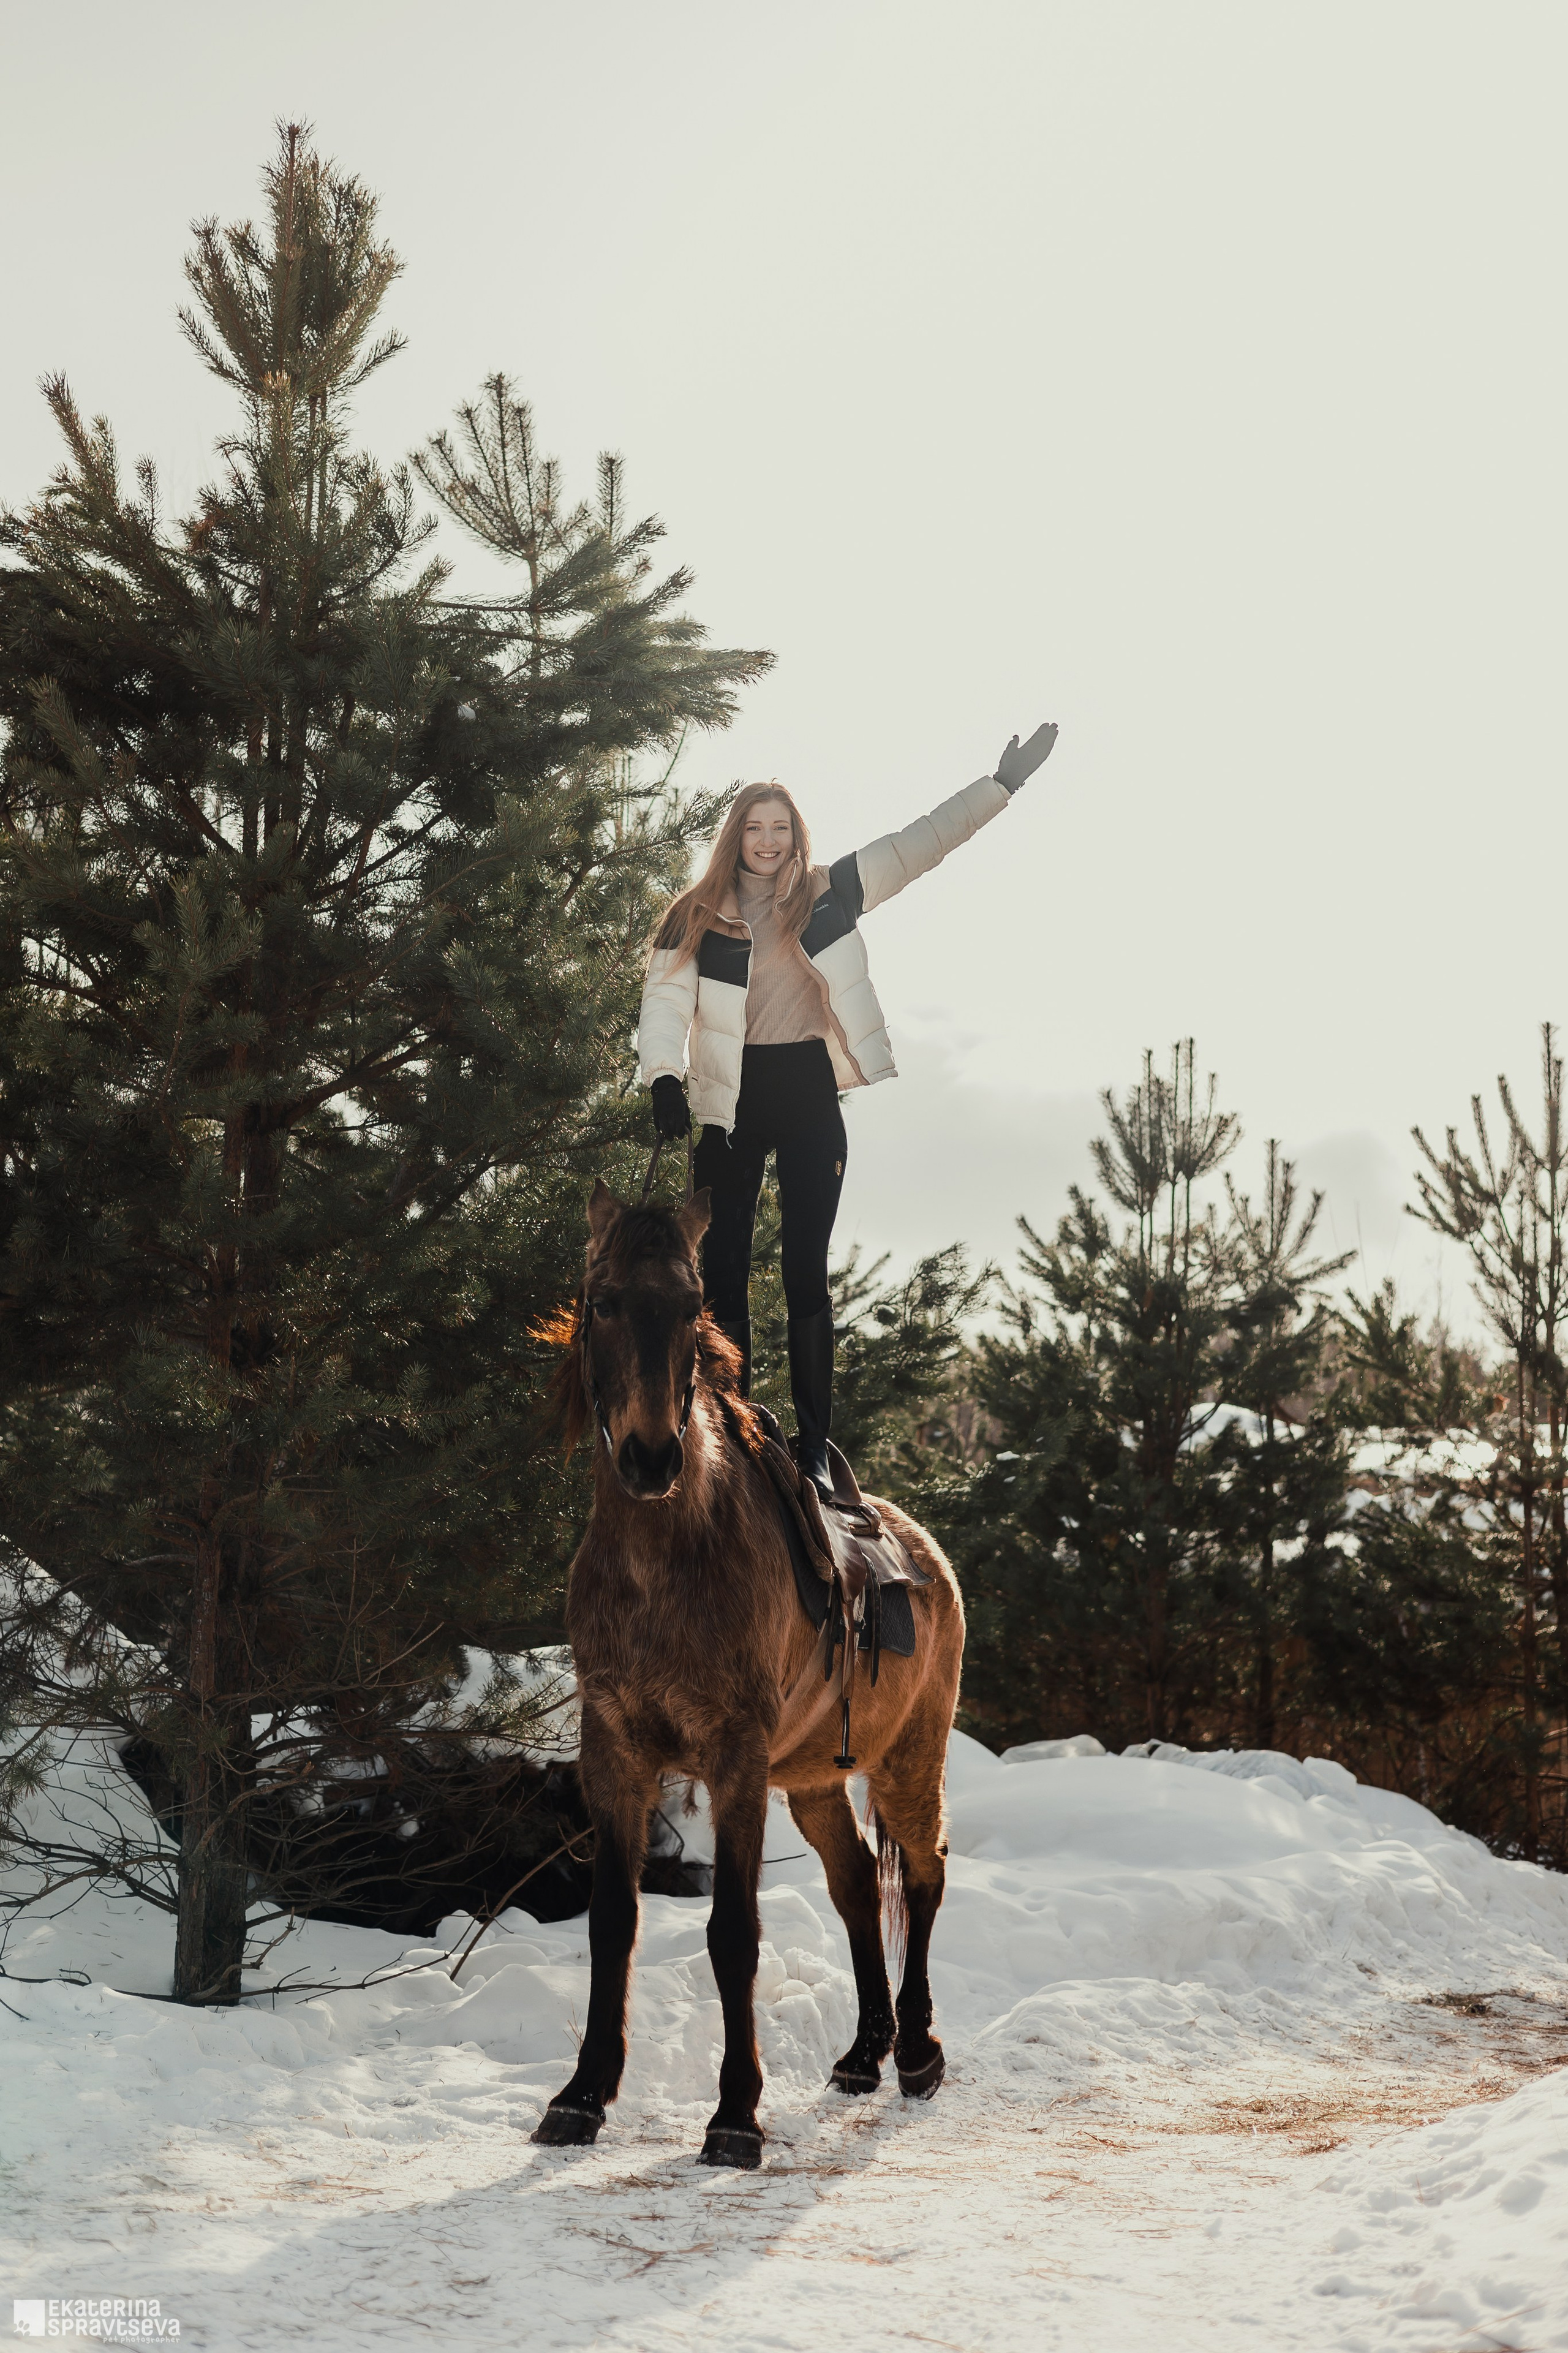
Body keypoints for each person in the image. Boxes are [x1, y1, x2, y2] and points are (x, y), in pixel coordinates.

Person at [638, 723, 1058, 1495]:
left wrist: (1000, 787)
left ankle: (812, 1447)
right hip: (728, 1106)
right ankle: (732, 1429)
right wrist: (665, 1075)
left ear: (796, 835)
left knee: (805, 1272)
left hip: (806, 1094)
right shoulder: (693, 914)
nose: (768, 841)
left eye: (781, 827)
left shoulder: (829, 891)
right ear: (736, 837)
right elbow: (664, 1002)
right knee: (723, 1273)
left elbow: (920, 843)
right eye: (755, 828)